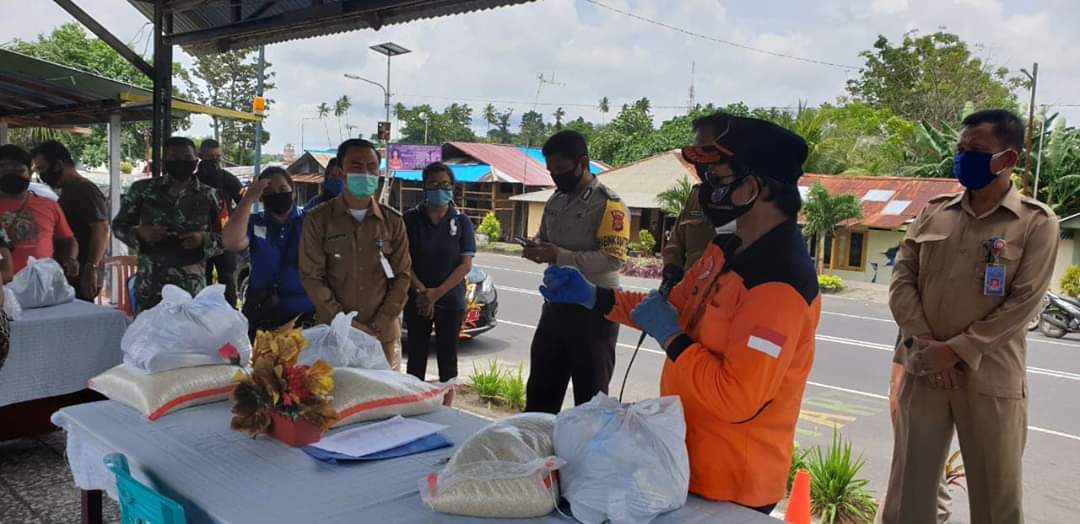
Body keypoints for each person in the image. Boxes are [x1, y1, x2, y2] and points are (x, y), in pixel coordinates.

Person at [540, 114, 819, 513]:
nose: (705, 189)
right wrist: (594, 297)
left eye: (715, 177)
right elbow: (666, 310)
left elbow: (735, 398)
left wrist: (672, 338)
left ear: (753, 187)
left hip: (735, 488)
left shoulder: (779, 284)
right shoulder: (728, 249)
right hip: (688, 464)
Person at [882, 109, 1059, 524]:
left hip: (991, 377)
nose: (964, 157)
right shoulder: (934, 212)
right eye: (961, 149)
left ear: (1008, 159)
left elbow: (1025, 302)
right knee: (910, 493)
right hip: (924, 369)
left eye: (977, 150)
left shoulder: (1036, 222)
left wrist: (957, 351)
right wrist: (927, 345)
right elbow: (901, 282)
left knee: (996, 499)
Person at [521, 130, 630, 414]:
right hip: (556, 307)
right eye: (551, 170)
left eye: (561, 169)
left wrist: (559, 256)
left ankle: (585, 456)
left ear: (582, 162)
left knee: (590, 400)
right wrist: (535, 249)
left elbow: (613, 259)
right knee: (540, 393)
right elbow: (544, 239)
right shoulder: (555, 200)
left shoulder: (608, 204)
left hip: (595, 311)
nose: (556, 176)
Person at [300, 139, 412, 370]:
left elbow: (402, 276)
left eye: (371, 167)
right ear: (340, 172)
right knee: (336, 400)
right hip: (334, 334)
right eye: (356, 166)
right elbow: (312, 276)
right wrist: (344, 322)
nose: (366, 173)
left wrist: (381, 321)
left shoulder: (393, 221)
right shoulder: (318, 220)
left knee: (381, 398)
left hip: (380, 335)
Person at [112, 136, 222, 311]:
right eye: (174, 159)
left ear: (195, 160)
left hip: (191, 291)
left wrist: (202, 239)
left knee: (190, 338)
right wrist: (140, 233)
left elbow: (225, 238)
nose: (181, 163)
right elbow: (118, 226)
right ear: (164, 162)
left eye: (187, 158)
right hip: (152, 288)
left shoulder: (210, 196)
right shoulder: (142, 191)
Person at [403, 162, 476, 403]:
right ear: (424, 187)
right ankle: (415, 404)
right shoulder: (410, 220)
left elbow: (465, 265)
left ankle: (446, 406)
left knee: (448, 357)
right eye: (433, 184)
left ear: (453, 187)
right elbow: (403, 262)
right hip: (417, 298)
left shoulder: (462, 221)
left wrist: (437, 293)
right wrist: (424, 292)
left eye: (445, 184)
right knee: (416, 356)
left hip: (451, 299)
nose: (440, 189)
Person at [223, 166, 315, 340]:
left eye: (282, 189)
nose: (277, 194)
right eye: (269, 191)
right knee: (261, 364)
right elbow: (231, 242)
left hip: (304, 312)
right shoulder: (254, 221)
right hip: (261, 311)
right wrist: (249, 198)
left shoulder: (310, 221)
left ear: (293, 191)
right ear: (262, 196)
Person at [30, 141, 109, 301]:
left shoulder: (85, 189)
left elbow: (101, 229)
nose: (41, 175)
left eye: (42, 169)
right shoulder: (68, 190)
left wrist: (91, 268)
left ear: (58, 165)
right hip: (71, 270)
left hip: (81, 271)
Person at [662, 114, 738, 276]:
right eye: (697, 153)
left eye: (708, 152)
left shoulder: (748, 200)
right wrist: (671, 272)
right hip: (689, 292)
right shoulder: (697, 196)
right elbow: (674, 246)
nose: (702, 162)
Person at [0, 144, 78, 276]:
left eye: (18, 171)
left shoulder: (49, 206)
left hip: (41, 287)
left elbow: (68, 240)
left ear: (30, 174)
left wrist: (71, 259)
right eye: (3, 171)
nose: (11, 176)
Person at [197, 139, 243, 307]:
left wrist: (234, 226)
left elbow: (244, 204)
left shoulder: (229, 179)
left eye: (217, 156)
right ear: (200, 156)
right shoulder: (193, 180)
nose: (214, 160)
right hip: (199, 239)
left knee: (227, 282)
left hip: (225, 239)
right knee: (202, 284)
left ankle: (230, 319)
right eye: (210, 157)